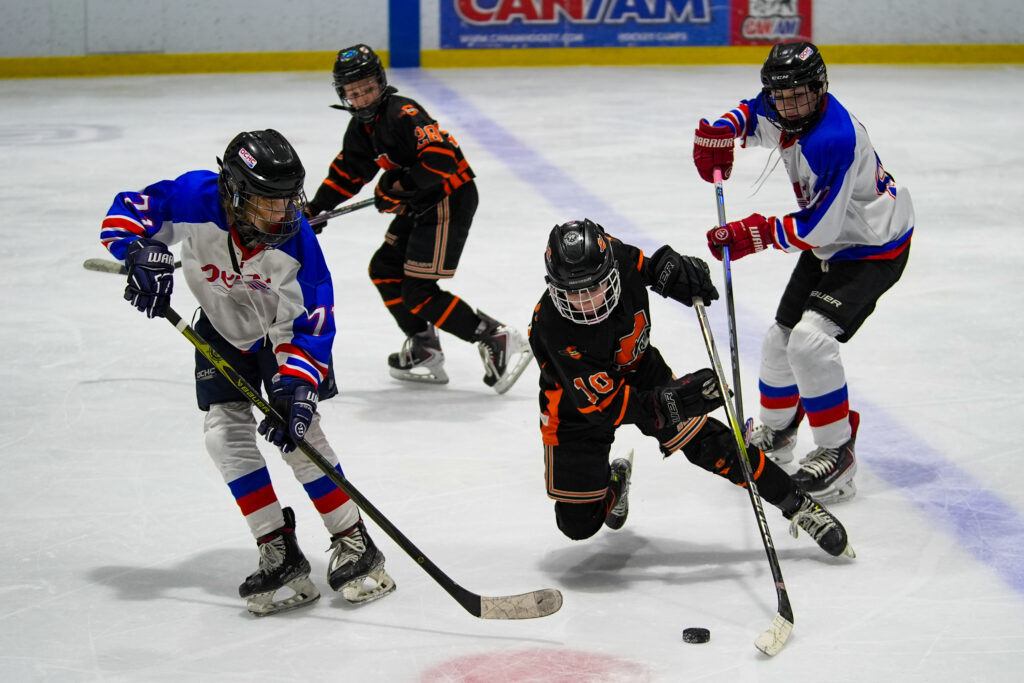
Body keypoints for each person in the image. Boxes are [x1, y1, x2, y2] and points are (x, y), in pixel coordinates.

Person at [99, 129, 396, 616]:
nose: (283, 213)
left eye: (288, 201)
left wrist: (298, 388)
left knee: (299, 436)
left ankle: (354, 540)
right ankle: (277, 550)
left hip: (282, 336)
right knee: (222, 433)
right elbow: (128, 210)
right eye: (268, 202)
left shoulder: (297, 241)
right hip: (221, 325)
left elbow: (315, 320)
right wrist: (137, 254)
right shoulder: (194, 197)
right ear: (234, 192)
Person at [528, 218, 854, 559]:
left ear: (609, 269)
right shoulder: (553, 331)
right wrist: (673, 404)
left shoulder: (618, 256)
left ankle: (799, 504)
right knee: (578, 526)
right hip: (575, 410)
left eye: (593, 288)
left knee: (712, 444)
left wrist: (673, 273)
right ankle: (615, 481)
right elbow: (612, 408)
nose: (587, 302)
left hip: (639, 370)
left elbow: (650, 268)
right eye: (573, 293)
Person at [694, 41, 914, 503]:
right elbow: (755, 113)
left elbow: (819, 228)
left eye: (800, 94)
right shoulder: (786, 104)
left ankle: (837, 453)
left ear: (821, 88)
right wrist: (722, 130)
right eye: (782, 95)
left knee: (810, 343)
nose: (790, 105)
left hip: (873, 247)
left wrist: (754, 234)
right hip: (833, 240)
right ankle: (776, 435)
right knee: (780, 340)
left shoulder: (833, 139)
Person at [306, 44, 531, 394]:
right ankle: (425, 346)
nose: (363, 98)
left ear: (380, 83)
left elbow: (442, 160)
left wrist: (400, 186)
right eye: (354, 93)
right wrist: (317, 208)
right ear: (343, 95)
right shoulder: (361, 130)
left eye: (367, 88)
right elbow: (348, 173)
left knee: (418, 292)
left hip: (447, 199)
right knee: (383, 269)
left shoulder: (403, 113)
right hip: (423, 204)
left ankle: (494, 336)